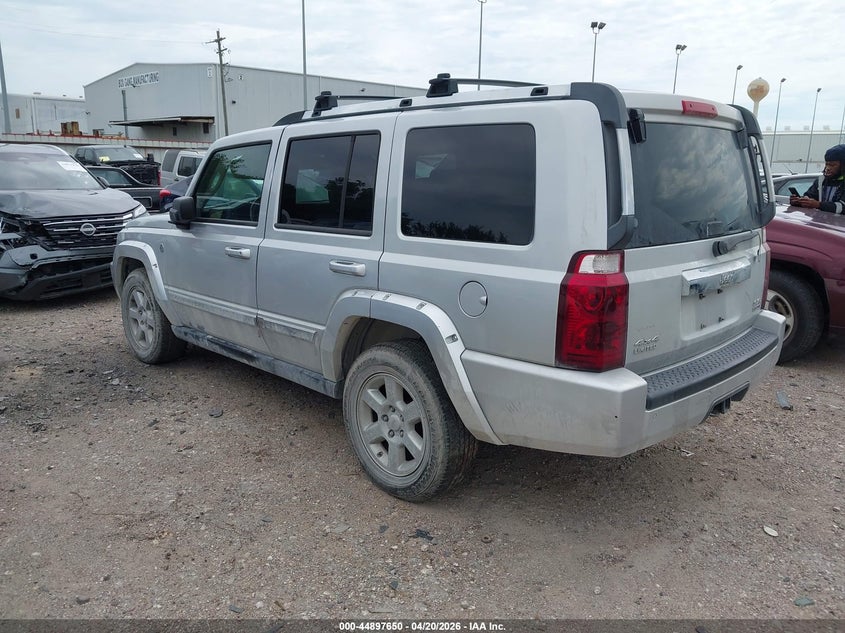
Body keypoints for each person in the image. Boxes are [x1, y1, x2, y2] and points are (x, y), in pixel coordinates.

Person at [789, 144, 845, 214]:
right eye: (826, 164)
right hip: (821, 222)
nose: (828, 168)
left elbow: (842, 207)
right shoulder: (821, 181)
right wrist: (800, 201)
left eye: (832, 165)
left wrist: (818, 205)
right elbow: (810, 196)